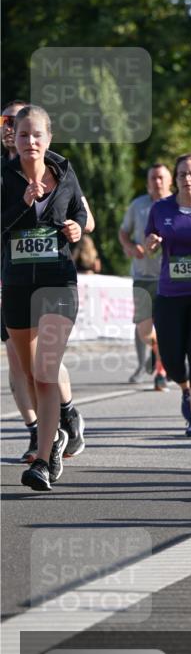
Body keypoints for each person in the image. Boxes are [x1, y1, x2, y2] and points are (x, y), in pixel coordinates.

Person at [1, 105, 88, 491]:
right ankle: (54, 436)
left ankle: (43, 458)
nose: (30, 141)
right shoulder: (4, 177)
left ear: (49, 138)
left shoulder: (65, 174)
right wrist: (22, 203)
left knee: (45, 370)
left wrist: (76, 228)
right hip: (17, 286)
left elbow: (81, 213)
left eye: (37, 135)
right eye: (23, 135)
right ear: (14, 139)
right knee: (27, 372)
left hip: (58, 284)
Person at [145, 154, 191, 437]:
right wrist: (150, 243)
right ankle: (186, 389)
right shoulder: (161, 208)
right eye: (183, 174)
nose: (188, 179)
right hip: (170, 293)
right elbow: (149, 241)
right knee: (171, 359)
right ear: (176, 178)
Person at [119, 163, 172, 388]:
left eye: (161, 177)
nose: (157, 182)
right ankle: (152, 359)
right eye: (153, 178)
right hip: (143, 276)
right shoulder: (138, 205)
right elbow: (123, 232)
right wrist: (131, 247)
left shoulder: (177, 204)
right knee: (144, 329)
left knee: (169, 325)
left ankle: (162, 366)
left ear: (170, 180)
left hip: (170, 277)